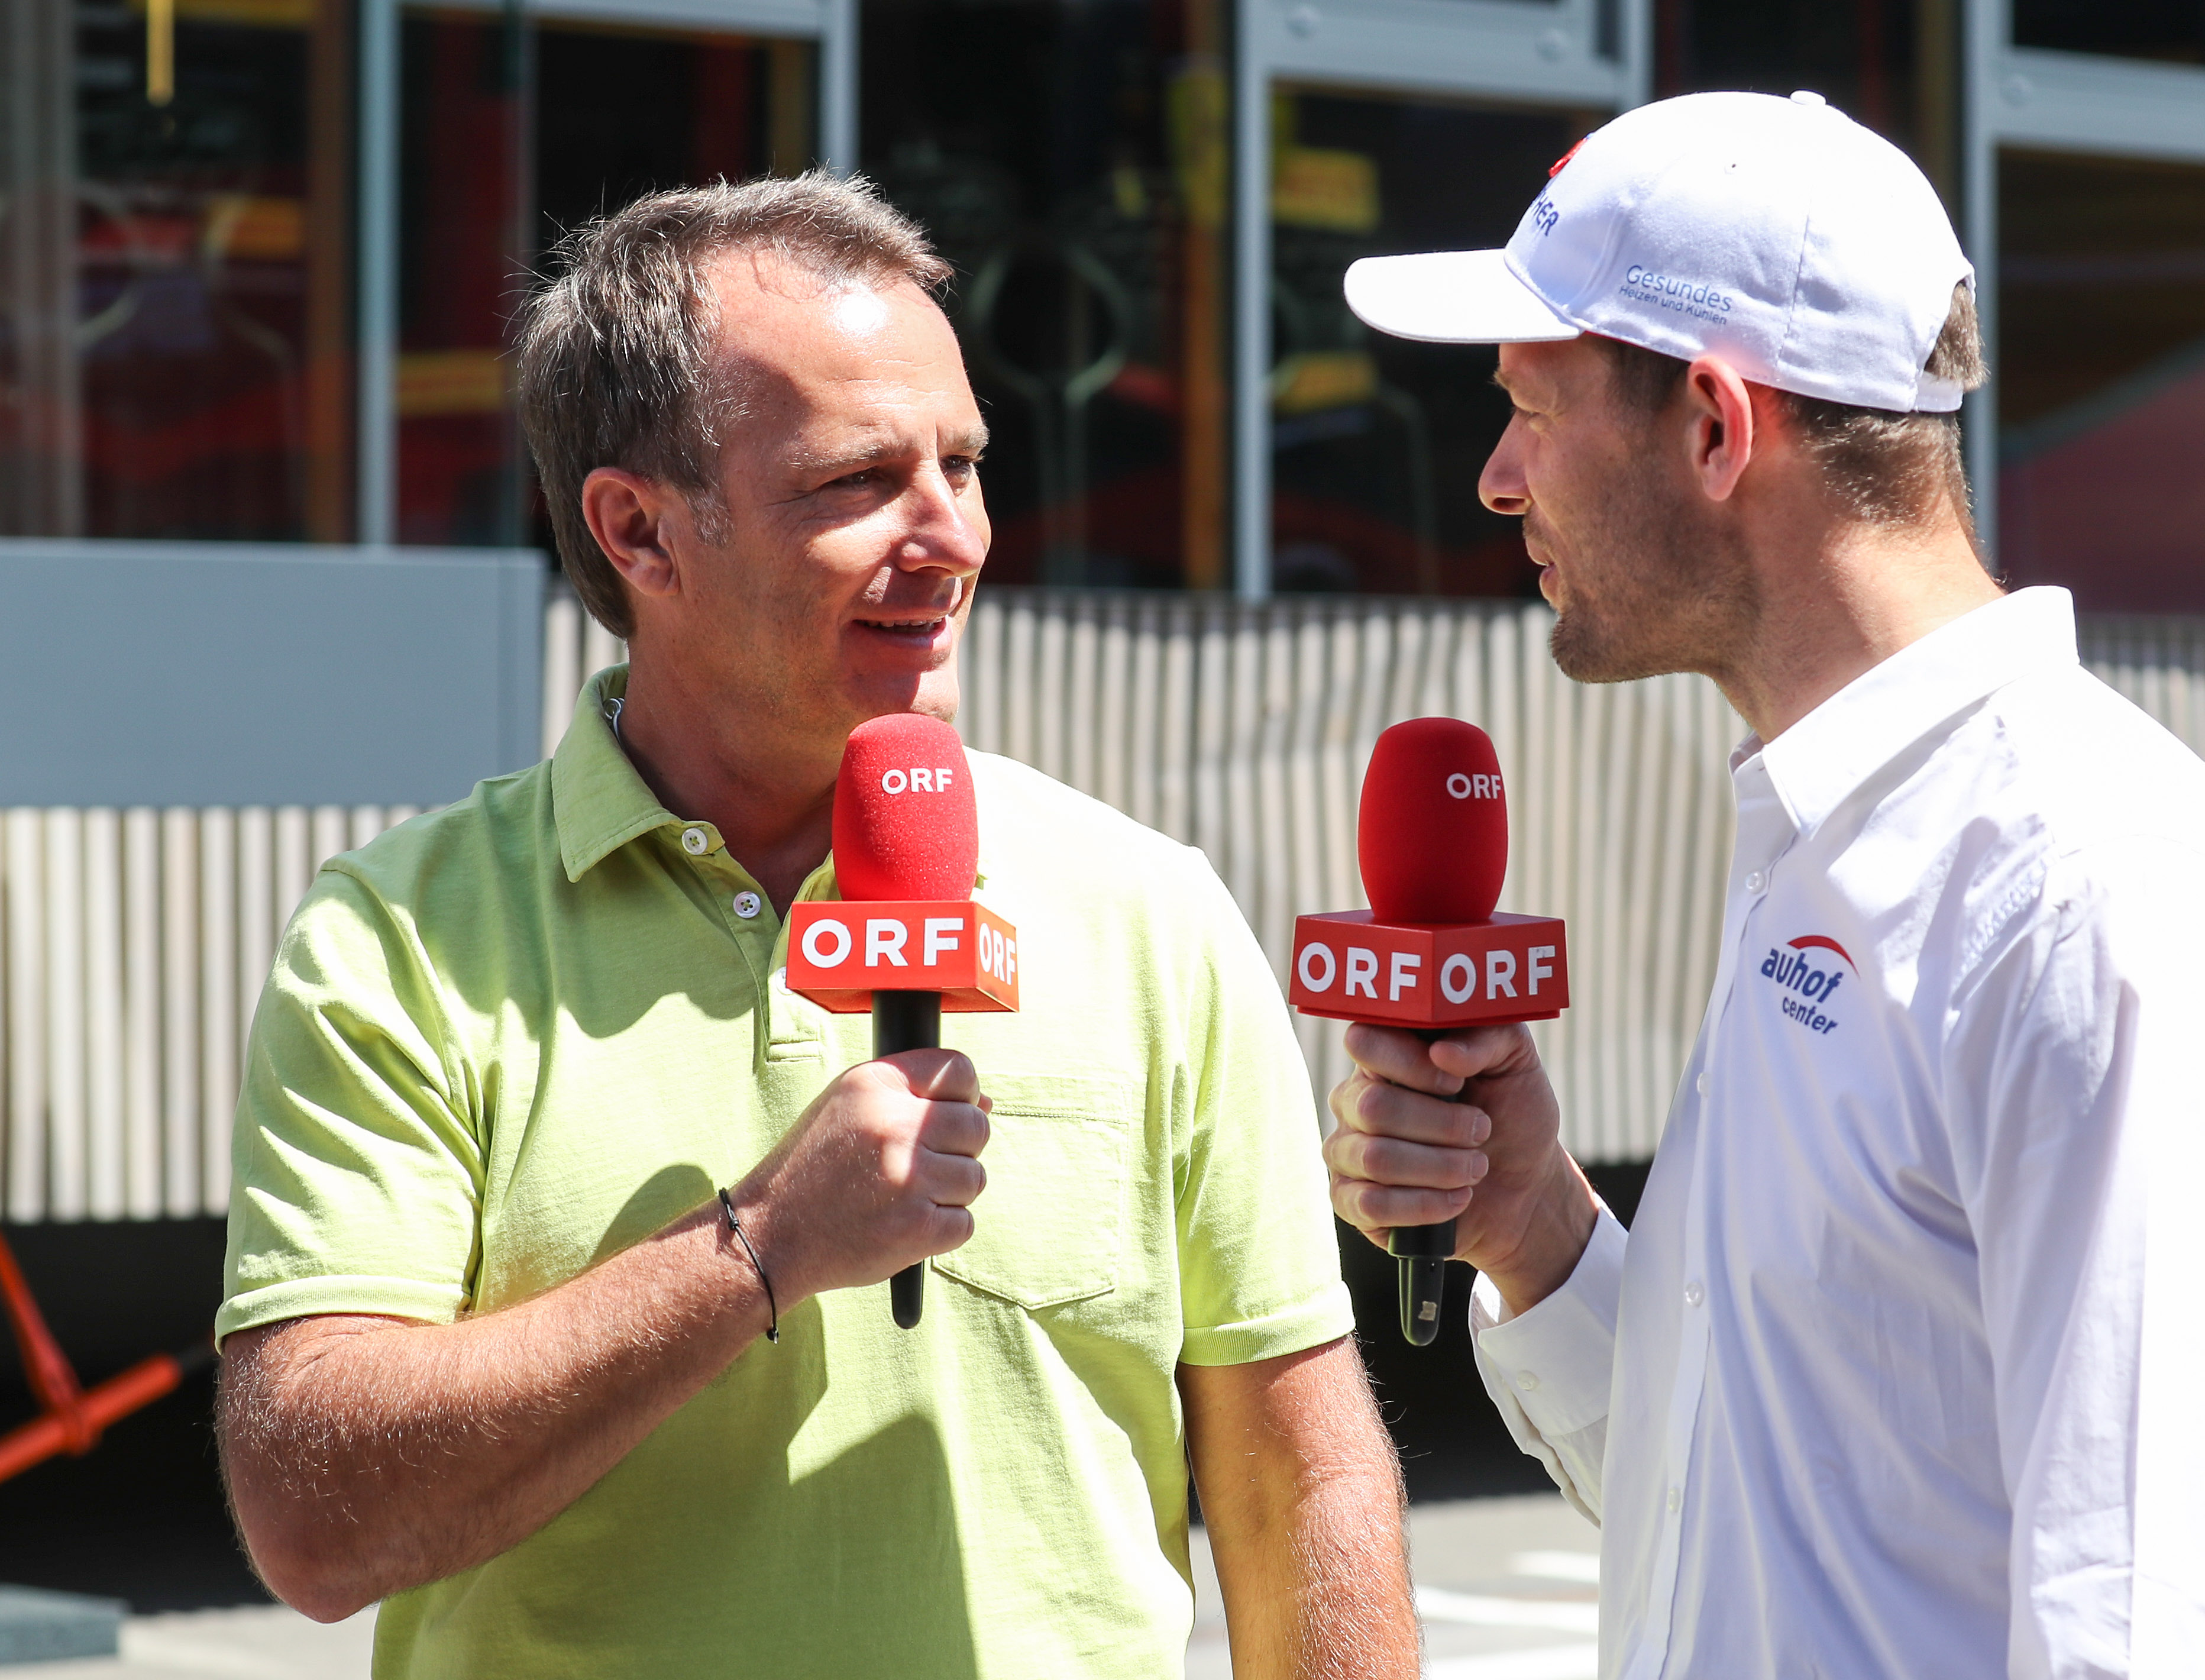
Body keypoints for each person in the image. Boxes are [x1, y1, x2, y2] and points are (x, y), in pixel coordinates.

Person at [213, 173, 1418, 1680]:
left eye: (964, 465)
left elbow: (1297, 1482)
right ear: (639, 530)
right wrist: (760, 1247)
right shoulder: (400, 939)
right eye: (857, 480)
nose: (950, 534)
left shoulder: (1146, 910)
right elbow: (313, 1523)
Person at [1325, 90, 2205, 1678]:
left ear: (1715, 429)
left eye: (1531, 409)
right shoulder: (1851, 841)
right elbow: (1759, 1520)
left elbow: (2135, 1637)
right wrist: (1532, 1227)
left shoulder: (2087, 897)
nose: (1492, 478)